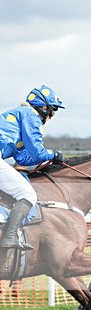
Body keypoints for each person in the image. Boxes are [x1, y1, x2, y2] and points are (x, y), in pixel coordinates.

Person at [0, 85, 65, 250]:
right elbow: (37, 152)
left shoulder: (21, 117)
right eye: (53, 110)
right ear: (43, 107)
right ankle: (8, 238)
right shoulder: (30, 115)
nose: (52, 116)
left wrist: (46, 159)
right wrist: (53, 154)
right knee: (27, 194)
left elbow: (23, 157)